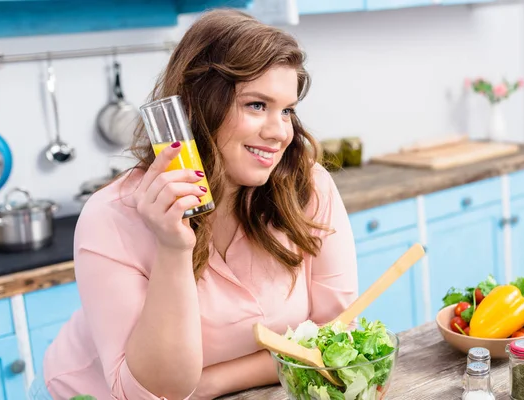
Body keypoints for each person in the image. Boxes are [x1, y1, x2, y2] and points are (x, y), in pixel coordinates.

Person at [29, 8, 358, 400]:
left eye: (286, 110)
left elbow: (334, 336)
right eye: (256, 105)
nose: (279, 132)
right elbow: (151, 392)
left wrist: (212, 381)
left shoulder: (307, 186)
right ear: (197, 106)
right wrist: (172, 249)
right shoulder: (112, 217)